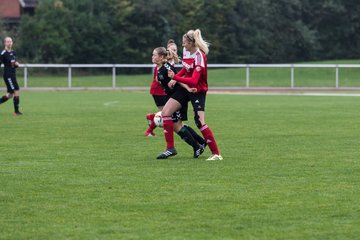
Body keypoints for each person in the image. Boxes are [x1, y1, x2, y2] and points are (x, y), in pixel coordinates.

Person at [167, 29, 223, 161]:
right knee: (166, 112)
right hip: (186, 89)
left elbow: (194, 81)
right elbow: (186, 69)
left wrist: (175, 77)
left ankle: (216, 154)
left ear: (192, 43)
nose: (183, 45)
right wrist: (176, 78)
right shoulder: (187, 51)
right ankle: (170, 148)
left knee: (199, 122)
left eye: (185, 43)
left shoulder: (199, 57)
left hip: (197, 90)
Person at [153, 46, 206, 159]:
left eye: (154, 55)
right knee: (177, 125)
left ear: (161, 56)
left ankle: (172, 148)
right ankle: (199, 143)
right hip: (172, 96)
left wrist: (187, 88)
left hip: (178, 96)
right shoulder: (160, 67)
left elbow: (177, 78)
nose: (152, 57)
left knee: (175, 124)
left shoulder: (166, 68)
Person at [144, 39, 178, 136]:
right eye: (172, 49)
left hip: (164, 91)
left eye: (175, 50)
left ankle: (151, 119)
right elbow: (157, 79)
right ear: (167, 51)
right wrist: (167, 84)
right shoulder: (161, 64)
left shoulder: (170, 64)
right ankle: (150, 128)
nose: (174, 51)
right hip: (158, 91)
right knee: (165, 113)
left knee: (165, 112)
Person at [0, 36, 22, 115]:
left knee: (10, 95)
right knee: (16, 90)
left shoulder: (13, 52)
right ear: (5, 43)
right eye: (8, 41)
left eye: (10, 41)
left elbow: (13, 65)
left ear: (12, 42)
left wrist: (16, 64)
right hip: (8, 75)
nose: (9, 43)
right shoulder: (3, 53)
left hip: (13, 74)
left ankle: (16, 111)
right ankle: (16, 112)